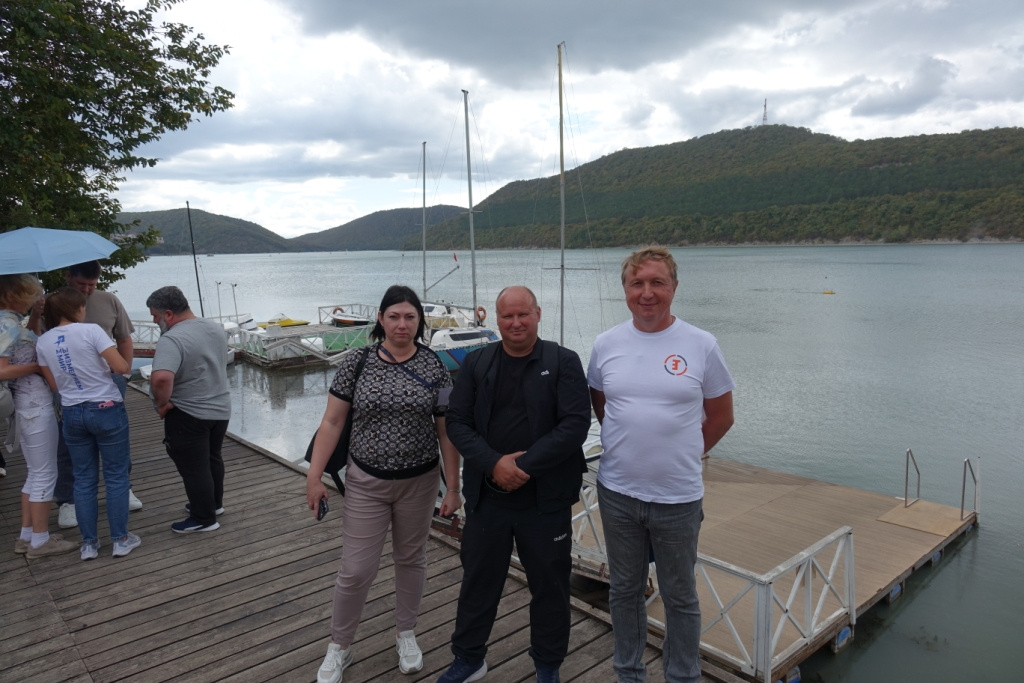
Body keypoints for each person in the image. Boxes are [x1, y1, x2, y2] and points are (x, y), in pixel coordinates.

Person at [587, 246, 735, 683]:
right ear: (625, 290)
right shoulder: (606, 344)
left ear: (674, 287)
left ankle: (682, 676)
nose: (647, 292)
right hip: (617, 493)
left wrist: (684, 451)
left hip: (677, 498)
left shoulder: (701, 344)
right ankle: (628, 673)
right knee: (624, 591)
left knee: (680, 596)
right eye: (637, 283)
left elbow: (722, 416)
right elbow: (603, 406)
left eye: (657, 282)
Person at [308, 285, 461, 683]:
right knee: (356, 569)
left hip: (420, 482)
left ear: (419, 321)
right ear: (380, 318)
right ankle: (340, 645)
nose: (402, 324)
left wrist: (454, 486)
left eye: (410, 317)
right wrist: (314, 476)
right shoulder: (357, 362)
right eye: (394, 316)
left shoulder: (435, 366)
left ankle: (405, 633)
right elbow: (332, 422)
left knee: (411, 559)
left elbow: (446, 432)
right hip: (366, 481)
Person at [438, 286, 591, 683]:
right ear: (497, 319)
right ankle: (468, 658)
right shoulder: (477, 362)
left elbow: (575, 425)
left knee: (551, 586)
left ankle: (547, 666)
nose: (516, 322)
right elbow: (457, 422)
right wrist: (493, 464)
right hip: (488, 498)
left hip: (546, 501)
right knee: (478, 582)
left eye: (523, 314)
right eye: (508, 316)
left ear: (538, 314)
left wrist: (521, 467)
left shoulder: (563, 361)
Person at [36, 287, 139, 560]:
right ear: (76, 309)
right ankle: (120, 540)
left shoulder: (43, 342)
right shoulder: (91, 331)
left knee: (83, 478)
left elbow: (55, 385)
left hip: (72, 412)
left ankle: (89, 545)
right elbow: (121, 367)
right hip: (105, 408)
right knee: (115, 475)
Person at [53, 260, 141, 530]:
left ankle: (124, 488)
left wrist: (124, 375)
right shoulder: (53, 303)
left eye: (92, 284)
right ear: (68, 276)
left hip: (109, 381)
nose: (87, 290)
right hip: (69, 385)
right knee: (67, 443)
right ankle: (67, 500)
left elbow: (124, 338)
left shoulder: (109, 300)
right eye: (82, 284)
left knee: (117, 438)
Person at [1, 275, 78, 558]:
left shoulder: (10, 321)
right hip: (34, 405)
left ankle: (26, 536)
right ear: (15, 295)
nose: (35, 298)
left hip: (26, 405)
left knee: (35, 473)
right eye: (31, 294)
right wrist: (37, 366)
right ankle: (40, 540)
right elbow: (2, 369)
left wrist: (35, 316)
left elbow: (24, 342)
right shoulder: (7, 325)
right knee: (46, 473)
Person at [147, 286, 232, 534]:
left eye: (155, 316)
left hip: (188, 412)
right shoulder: (214, 328)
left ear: (169, 314)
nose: (154, 322)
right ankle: (213, 505)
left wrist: (162, 404)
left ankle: (203, 518)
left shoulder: (172, 338)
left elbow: (161, 378)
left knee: (194, 467)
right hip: (220, 408)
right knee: (212, 458)